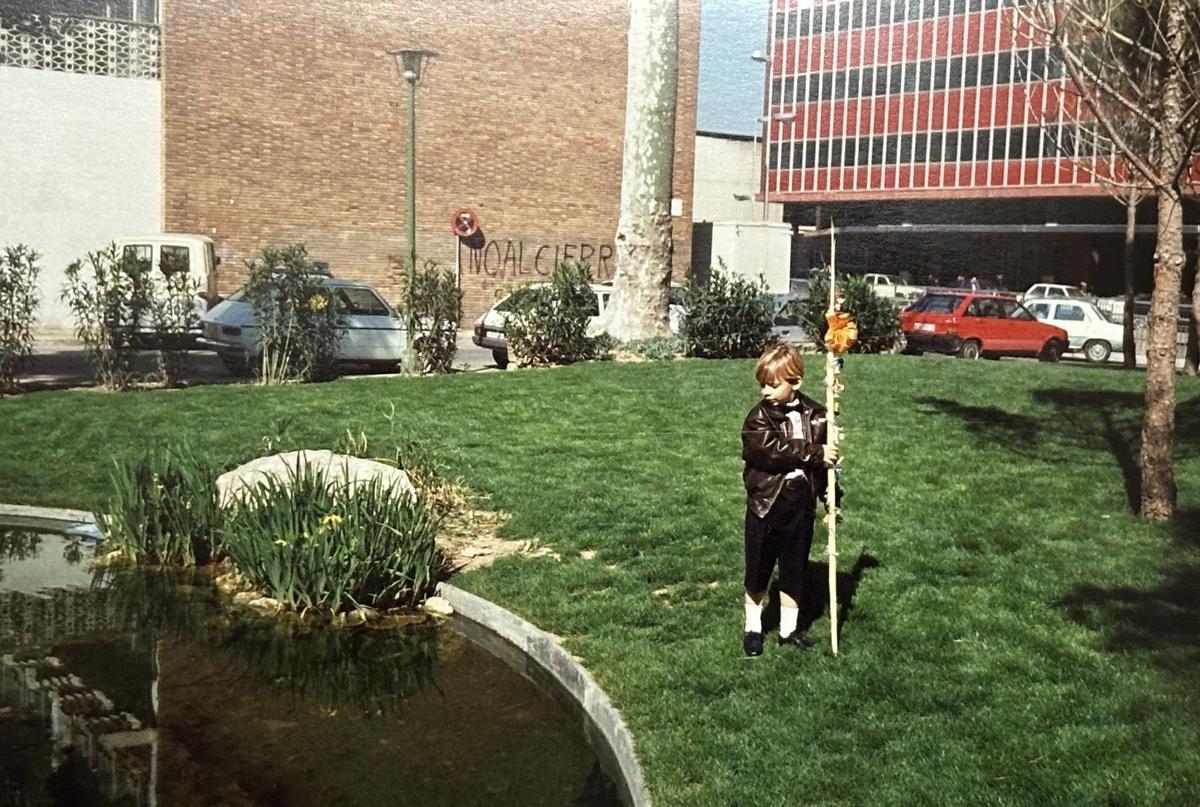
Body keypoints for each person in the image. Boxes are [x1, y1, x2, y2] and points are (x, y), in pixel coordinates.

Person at [740, 343, 838, 656]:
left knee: (794, 569)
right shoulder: (757, 418)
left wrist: (830, 497)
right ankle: (753, 627)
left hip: (800, 504)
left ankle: (788, 630)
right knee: (758, 569)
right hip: (767, 503)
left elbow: (824, 466)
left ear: (794, 382)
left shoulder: (818, 415)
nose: (765, 391)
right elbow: (772, 451)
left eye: (772, 384)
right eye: (762, 384)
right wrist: (814, 452)